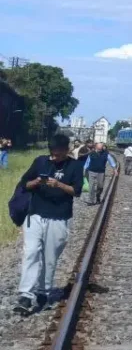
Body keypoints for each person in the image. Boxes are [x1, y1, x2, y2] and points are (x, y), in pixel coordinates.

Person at [13, 134, 83, 315]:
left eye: (58, 155)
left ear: (67, 151)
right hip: (35, 215)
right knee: (31, 253)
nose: (54, 158)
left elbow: (76, 191)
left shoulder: (75, 166)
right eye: (52, 154)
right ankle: (25, 296)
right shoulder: (40, 162)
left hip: (59, 218)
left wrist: (58, 184)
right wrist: (36, 181)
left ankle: (43, 291)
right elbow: (24, 184)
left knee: (49, 258)